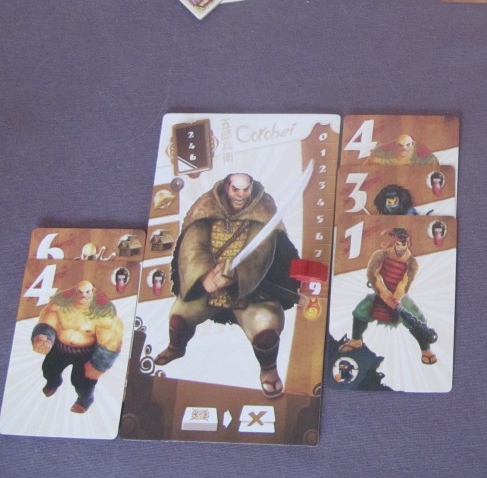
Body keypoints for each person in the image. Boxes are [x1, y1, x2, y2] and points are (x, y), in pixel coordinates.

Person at [154, 173, 301, 398]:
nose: (241, 195)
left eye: (245, 190)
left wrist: (238, 276)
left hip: (251, 292)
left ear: (251, 188)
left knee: (266, 333)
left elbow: (260, 253)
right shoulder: (206, 209)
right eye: (236, 189)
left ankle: (269, 369)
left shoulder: (263, 212)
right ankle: (176, 348)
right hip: (206, 288)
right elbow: (192, 246)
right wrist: (205, 277)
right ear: (226, 188)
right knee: (179, 319)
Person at [340, 228, 436, 364]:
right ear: (394, 242)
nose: (401, 247)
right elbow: (373, 275)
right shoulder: (380, 255)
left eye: (404, 244)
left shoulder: (412, 263)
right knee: (361, 310)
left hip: (398, 297)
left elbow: (405, 283)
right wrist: (384, 294)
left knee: (416, 316)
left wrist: (395, 299)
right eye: (398, 244)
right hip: (381, 292)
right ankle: (356, 340)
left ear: (408, 243)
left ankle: (426, 349)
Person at [32, 280, 124, 413]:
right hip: (60, 347)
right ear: (75, 291)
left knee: (82, 381)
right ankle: (53, 383)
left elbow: (112, 339)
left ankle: (85, 399)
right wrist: (43, 336)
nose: (83, 295)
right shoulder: (60, 301)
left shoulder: (105, 311)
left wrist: (99, 365)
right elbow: (48, 319)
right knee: (48, 369)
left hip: (86, 353)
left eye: (87, 292)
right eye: (80, 292)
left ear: (93, 292)